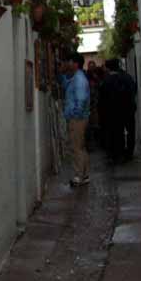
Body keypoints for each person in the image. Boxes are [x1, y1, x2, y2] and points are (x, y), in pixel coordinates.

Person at [99, 59, 138, 162]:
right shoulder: (127, 77)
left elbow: (102, 98)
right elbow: (134, 89)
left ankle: (117, 154)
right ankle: (129, 153)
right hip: (128, 109)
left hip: (113, 112)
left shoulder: (107, 81)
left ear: (107, 68)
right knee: (130, 131)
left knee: (116, 132)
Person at [64, 52, 91, 186]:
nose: (67, 64)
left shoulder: (79, 79)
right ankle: (84, 174)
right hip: (79, 117)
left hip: (77, 119)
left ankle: (79, 176)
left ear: (75, 63)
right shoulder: (77, 78)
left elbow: (81, 99)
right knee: (80, 146)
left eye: (69, 61)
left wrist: (75, 114)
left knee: (76, 147)